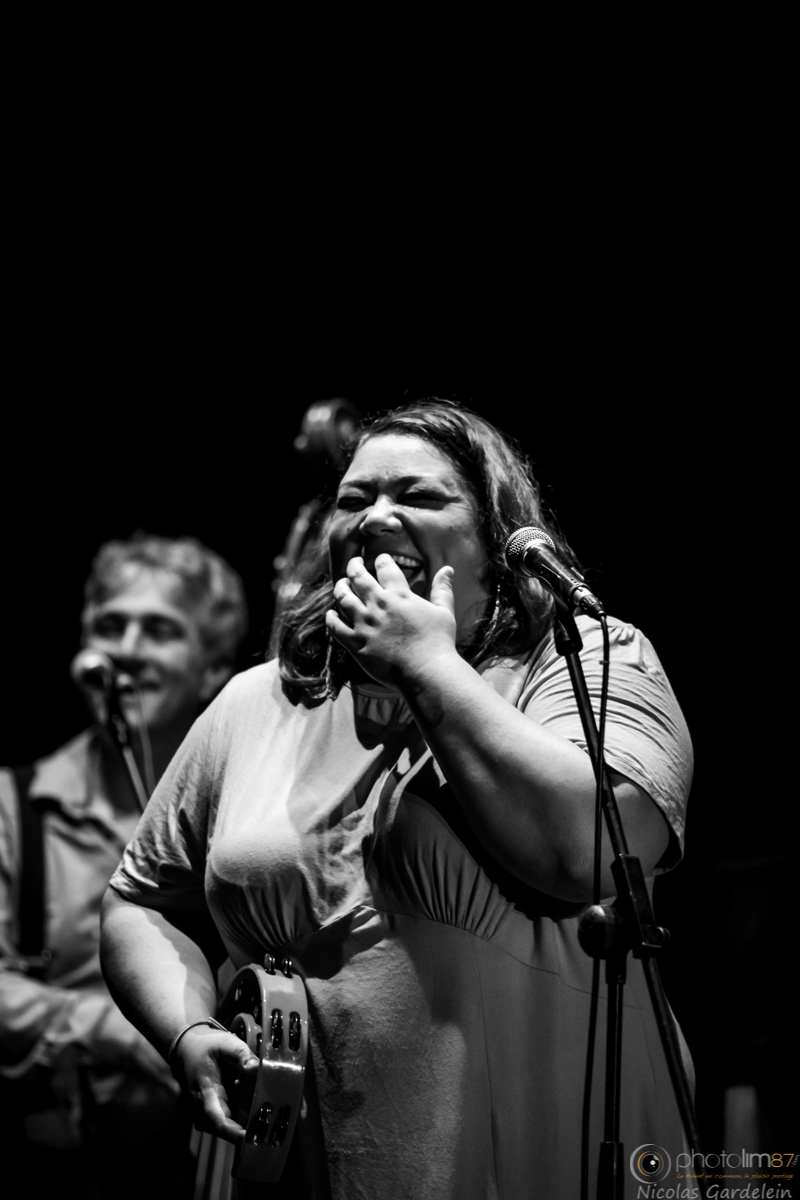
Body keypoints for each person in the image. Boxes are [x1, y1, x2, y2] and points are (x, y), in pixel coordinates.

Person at [100, 401, 694, 1199]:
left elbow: (586, 853)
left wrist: (426, 665)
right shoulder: (260, 701)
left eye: (418, 496)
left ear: (495, 538)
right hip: (300, 1167)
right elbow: (139, 900)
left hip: (521, 1151)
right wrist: (186, 1031)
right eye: (355, 499)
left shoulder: (586, 662)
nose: (377, 517)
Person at [0, 533, 248, 1200]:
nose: (128, 649)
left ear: (212, 668)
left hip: (210, 1164)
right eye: (110, 626)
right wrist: (127, 1031)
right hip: (55, 1162)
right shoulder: (13, 803)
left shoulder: (246, 816)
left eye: (159, 630)